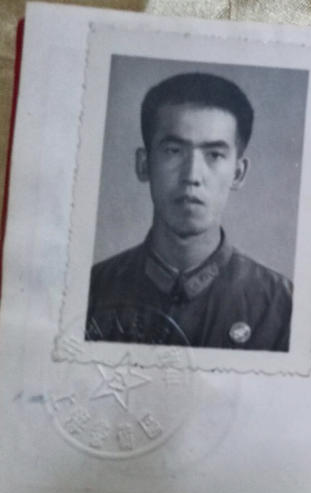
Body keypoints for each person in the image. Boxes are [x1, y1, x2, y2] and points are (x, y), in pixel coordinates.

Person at [86, 72, 292, 351]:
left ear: (238, 173)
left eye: (214, 155)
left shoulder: (282, 307)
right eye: (173, 151)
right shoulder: (91, 291)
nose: (192, 176)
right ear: (144, 164)